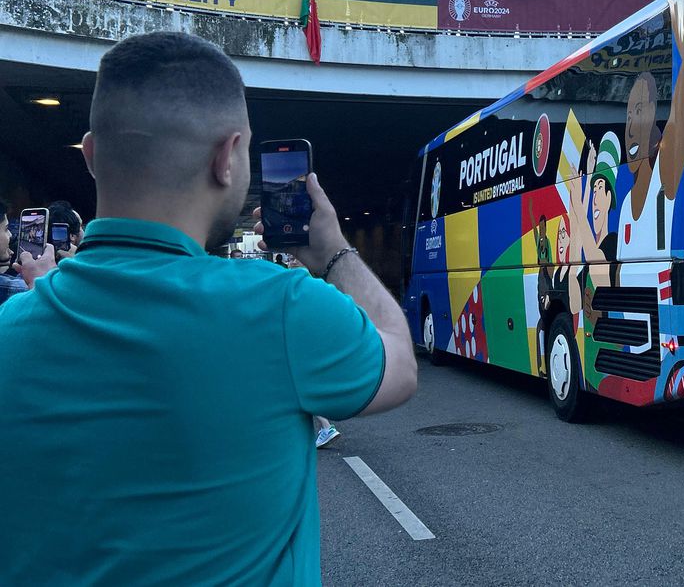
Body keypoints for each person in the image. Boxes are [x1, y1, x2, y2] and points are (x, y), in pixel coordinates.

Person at [0, 32, 418, 583]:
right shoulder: (284, 306)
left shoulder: (9, 330)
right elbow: (400, 362)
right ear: (227, 158)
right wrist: (332, 252)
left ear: (91, 154)